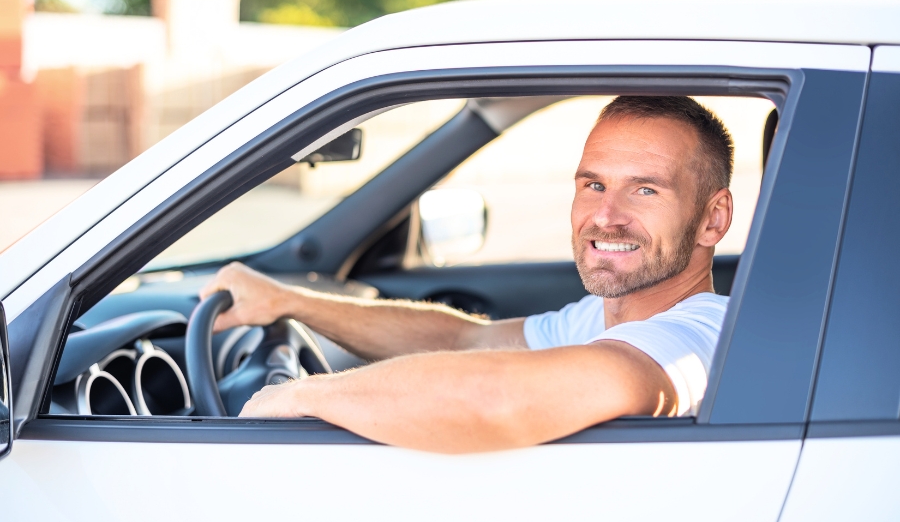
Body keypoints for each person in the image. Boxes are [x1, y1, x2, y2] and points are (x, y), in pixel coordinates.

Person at [200, 96, 734, 454]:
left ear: (713, 218)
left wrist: (299, 397)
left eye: (645, 190)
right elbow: (464, 337)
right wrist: (289, 302)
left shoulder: (697, 337)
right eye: (593, 184)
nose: (605, 215)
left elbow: (494, 398)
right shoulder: (597, 320)